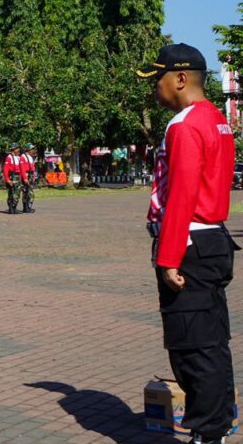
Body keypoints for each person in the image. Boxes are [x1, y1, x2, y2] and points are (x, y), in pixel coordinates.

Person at [139, 43, 236, 444]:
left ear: (180, 78)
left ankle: (207, 433)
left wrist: (169, 257)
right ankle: (217, 426)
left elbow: (181, 195)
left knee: (191, 347)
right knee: (211, 341)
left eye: (157, 80)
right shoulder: (215, 119)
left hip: (191, 243)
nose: (154, 90)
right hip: (212, 241)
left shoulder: (184, 124)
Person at [2, 143, 23, 214]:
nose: (18, 150)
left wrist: (21, 178)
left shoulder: (18, 157)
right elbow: (5, 169)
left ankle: (14, 207)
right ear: (13, 149)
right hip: (12, 176)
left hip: (17, 177)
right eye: (17, 148)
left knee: (17, 192)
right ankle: (11, 207)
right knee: (12, 193)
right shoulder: (9, 157)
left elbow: (20, 169)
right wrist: (7, 179)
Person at [20, 144, 37, 213]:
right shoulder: (23, 157)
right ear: (27, 149)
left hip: (30, 175)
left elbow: (32, 168)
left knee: (30, 192)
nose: (33, 150)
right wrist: (25, 178)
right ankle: (25, 207)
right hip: (26, 175)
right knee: (25, 192)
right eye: (31, 149)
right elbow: (22, 169)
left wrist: (33, 176)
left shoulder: (30, 157)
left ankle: (29, 206)